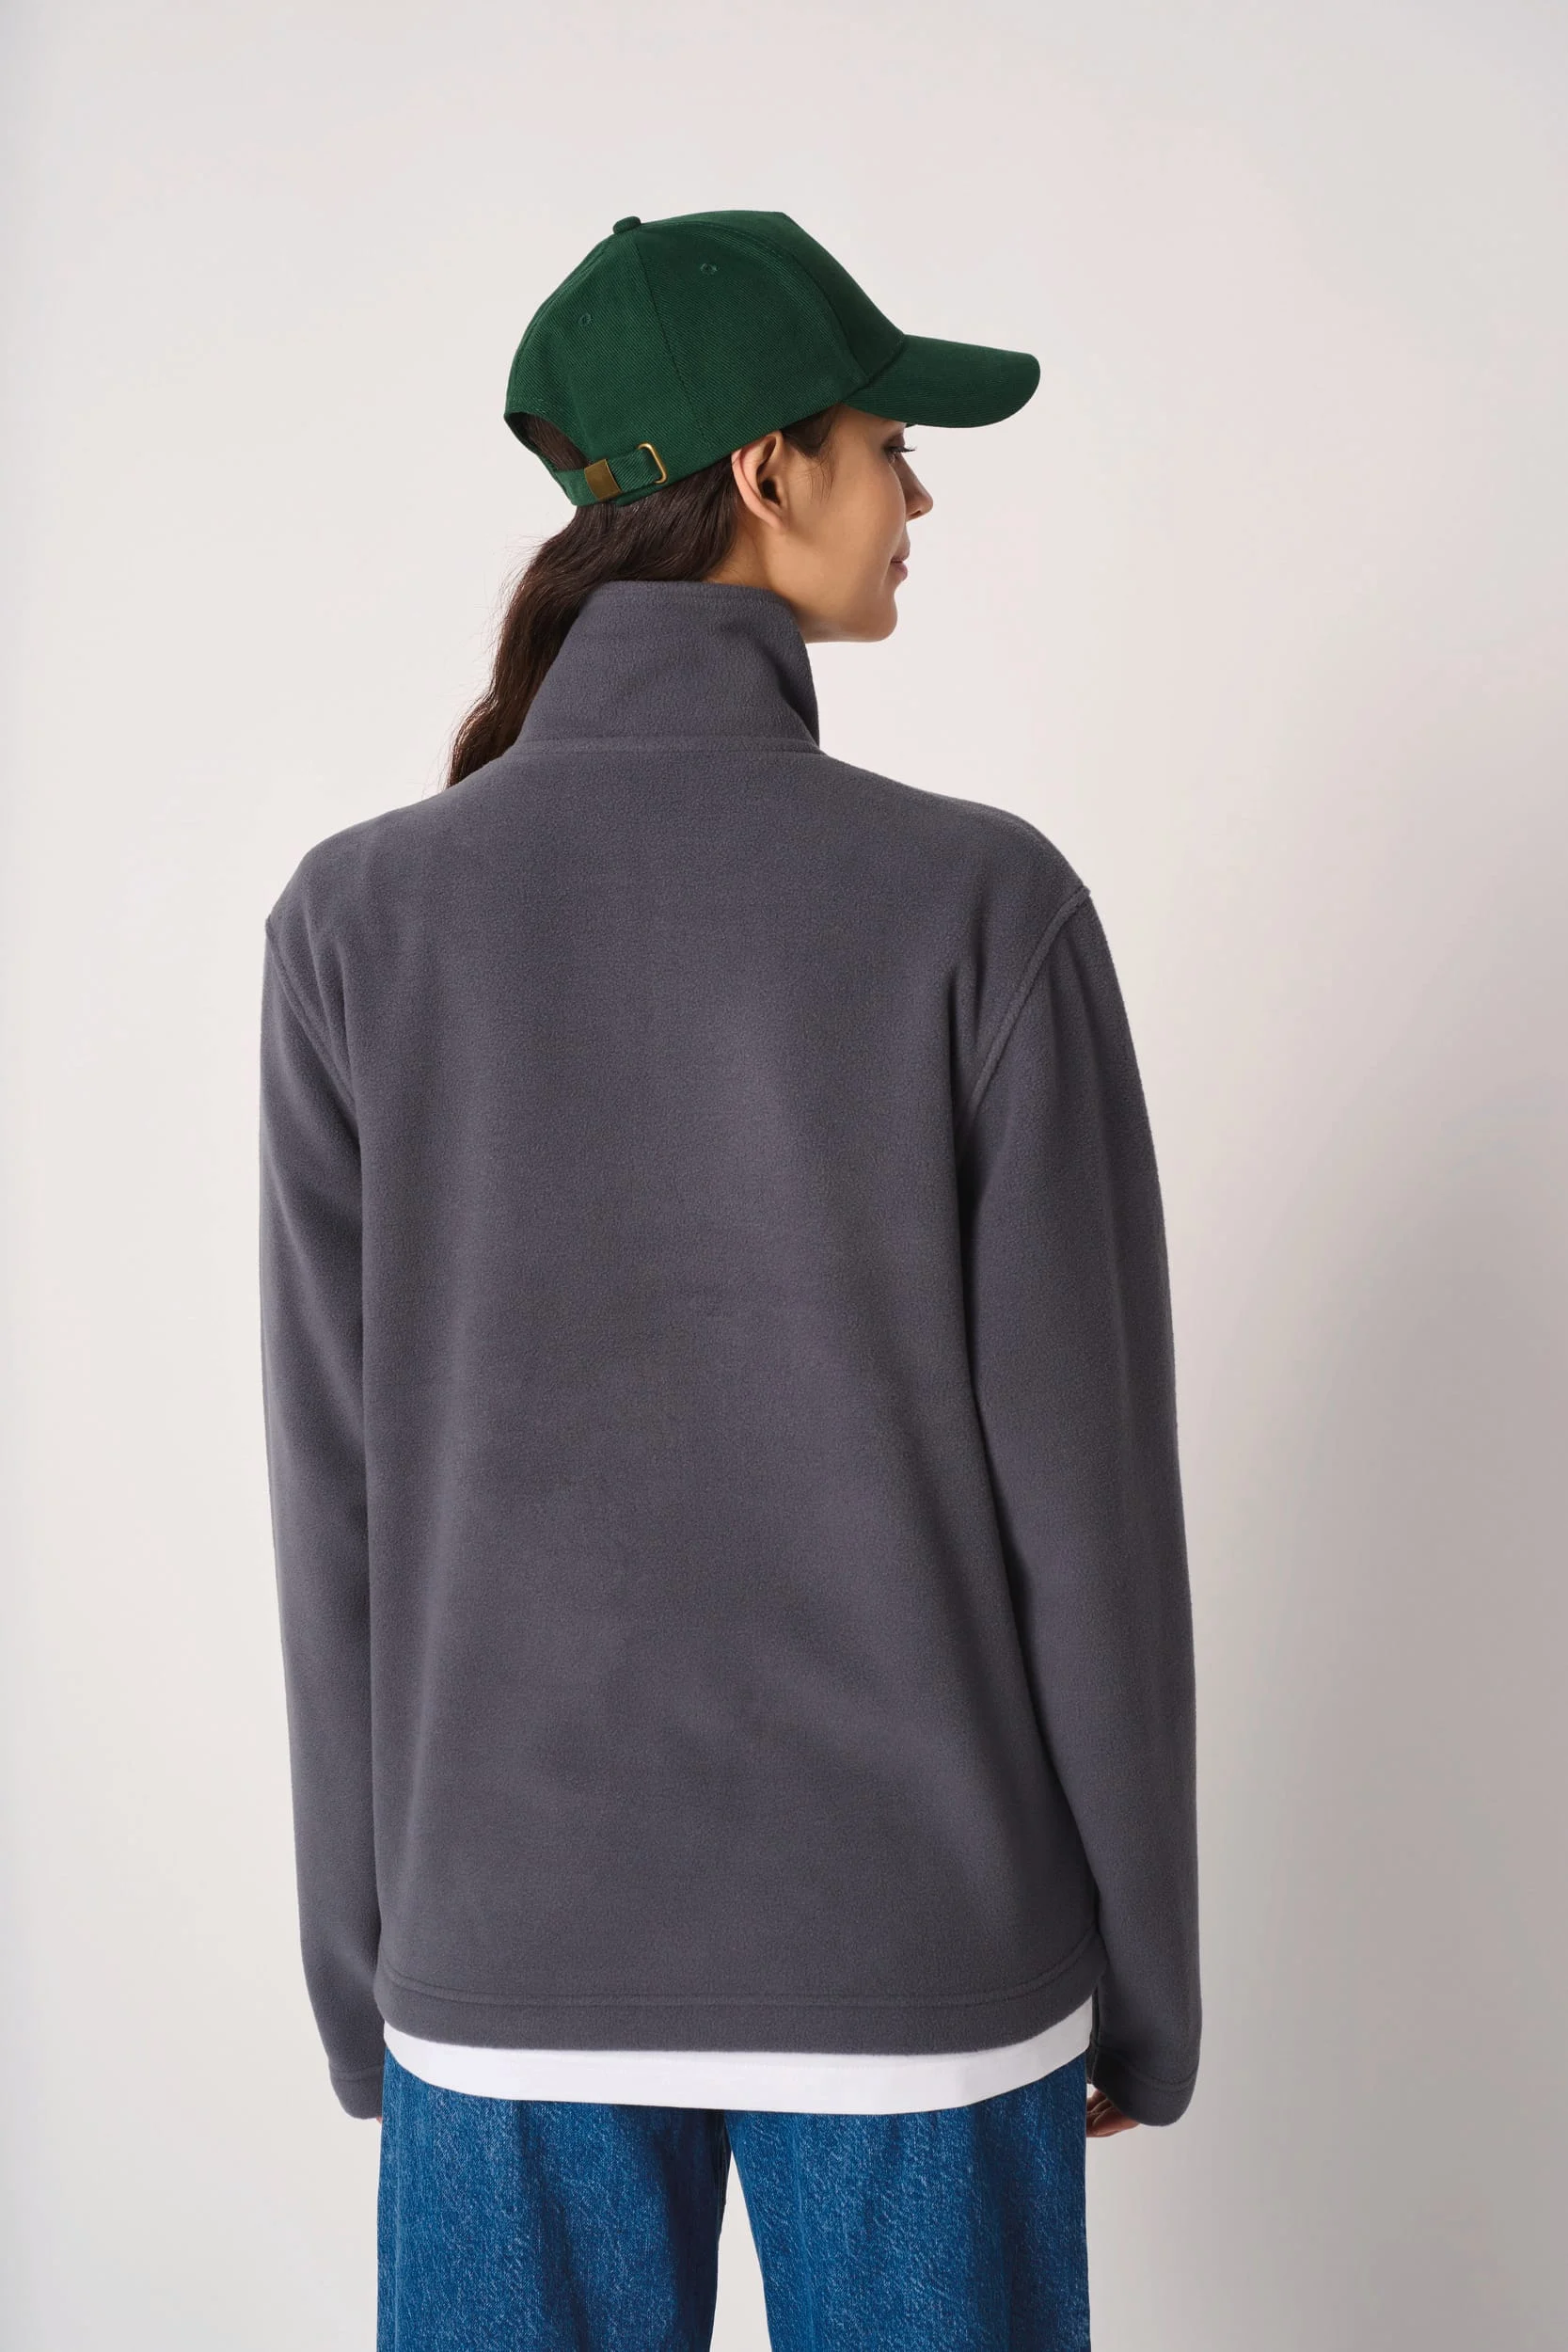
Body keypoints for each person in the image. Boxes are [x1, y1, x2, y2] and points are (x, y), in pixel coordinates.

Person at [259, 208, 1200, 2352]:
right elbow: (1089, 1514)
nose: (920, 498)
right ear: (769, 471)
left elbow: (335, 1510)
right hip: (921, 1975)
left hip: (498, 1967)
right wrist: (1141, 1973)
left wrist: (368, 1972)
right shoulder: (983, 908)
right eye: (891, 444)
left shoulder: (354, 924)